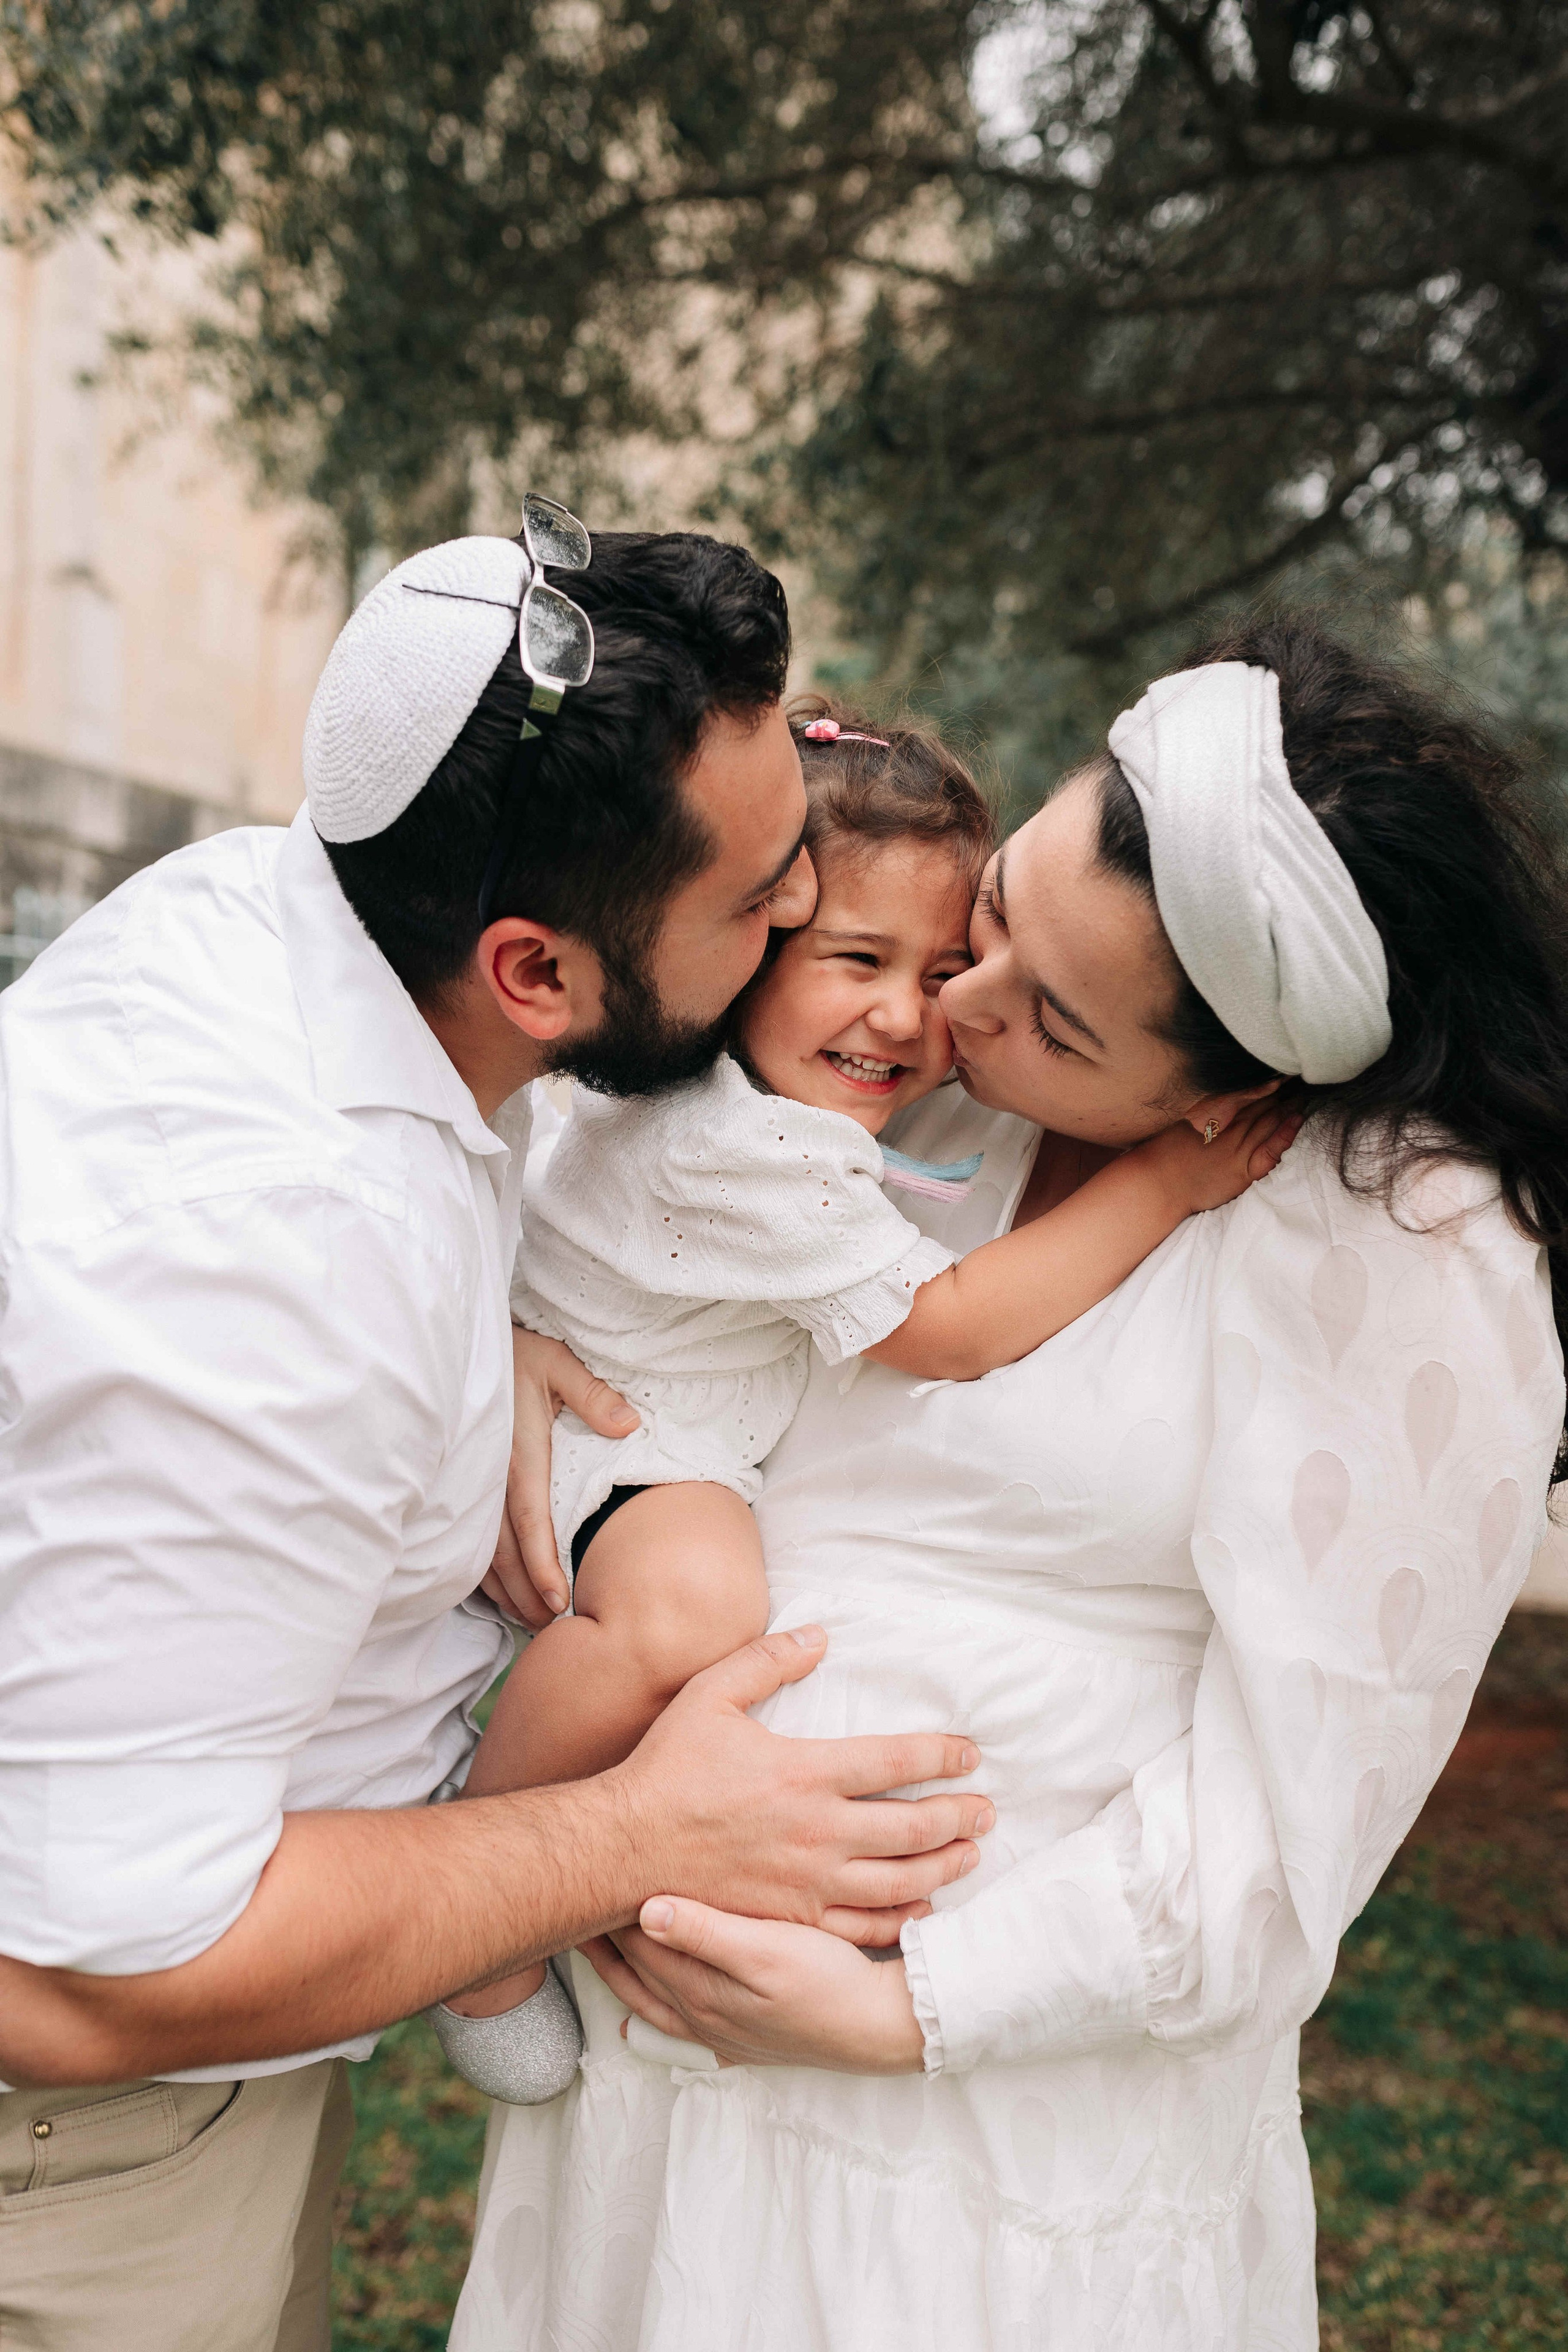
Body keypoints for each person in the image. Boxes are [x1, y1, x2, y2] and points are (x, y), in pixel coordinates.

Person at [455, 618, 1568, 2351]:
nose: (954, 1012)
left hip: (985, 2147)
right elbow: (631, 1206)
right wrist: (516, 1330)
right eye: (998, 915)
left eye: (1045, 1013)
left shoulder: (1406, 1235)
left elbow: (1288, 1837)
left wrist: (903, 2010)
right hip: (671, 2075)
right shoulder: (903, 1082)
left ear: (1242, 1092)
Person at [0, 508, 994, 2352]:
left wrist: (499, 1324)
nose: (804, 922)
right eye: (766, 898)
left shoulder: (286, 911)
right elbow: (89, 1975)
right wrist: (633, 1830)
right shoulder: (274, 1271)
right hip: (73, 2180)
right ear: (538, 974)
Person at [436, 704, 1298, 2103]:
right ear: (753, 946)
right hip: (632, 1431)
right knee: (689, 1614)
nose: (909, 1015)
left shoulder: (723, 1089)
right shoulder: (746, 1148)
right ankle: (481, 1907)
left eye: (947, 967)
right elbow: (945, 1331)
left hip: (632, 1393)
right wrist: (1168, 1182)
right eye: (856, 960)